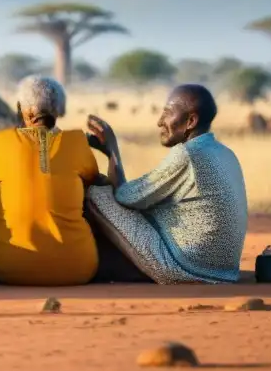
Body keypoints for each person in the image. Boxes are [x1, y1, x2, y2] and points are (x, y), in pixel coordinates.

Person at [85, 84, 248, 284]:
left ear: (191, 121)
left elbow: (125, 196)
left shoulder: (188, 154)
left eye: (168, 113)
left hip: (185, 268)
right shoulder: (225, 153)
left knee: (97, 195)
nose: (160, 122)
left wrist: (112, 151)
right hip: (225, 272)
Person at [0, 75, 101, 286]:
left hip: (6, 267)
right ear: (60, 108)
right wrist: (112, 150)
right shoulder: (77, 141)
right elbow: (93, 185)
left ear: (21, 108)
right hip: (77, 267)